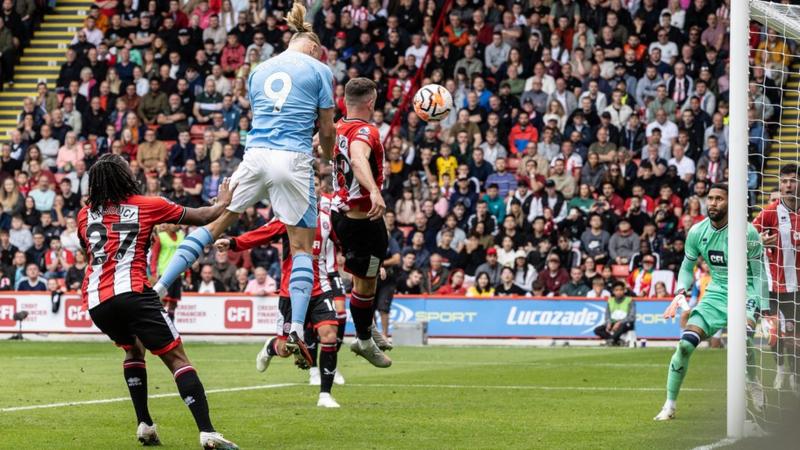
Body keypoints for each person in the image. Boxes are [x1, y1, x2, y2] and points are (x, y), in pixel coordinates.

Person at [153, 3, 336, 368]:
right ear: (314, 48)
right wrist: (328, 156)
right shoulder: (320, 70)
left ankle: (157, 288)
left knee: (212, 225)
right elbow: (327, 129)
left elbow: (267, 114)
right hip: (293, 159)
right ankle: (297, 327)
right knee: (301, 247)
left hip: (255, 155)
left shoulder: (257, 71)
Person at [78, 154, 238, 448]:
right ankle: (208, 432)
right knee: (177, 358)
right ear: (124, 176)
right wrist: (223, 201)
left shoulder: (84, 215)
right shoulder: (147, 205)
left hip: (97, 300)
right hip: (133, 291)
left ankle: (145, 425)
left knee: (133, 350)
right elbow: (204, 216)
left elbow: (87, 250)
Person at [215, 194, 344, 407]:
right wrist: (233, 242)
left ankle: (325, 395)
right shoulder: (289, 218)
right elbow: (262, 234)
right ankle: (271, 348)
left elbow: (347, 242)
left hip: (321, 287)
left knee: (329, 335)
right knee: (285, 350)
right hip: (290, 292)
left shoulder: (328, 218)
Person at [655, 184, 768, 421]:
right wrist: (680, 291)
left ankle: (752, 382)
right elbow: (687, 267)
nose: (713, 203)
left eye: (719, 199)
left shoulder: (748, 233)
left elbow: (758, 275)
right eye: (710, 198)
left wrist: (761, 307)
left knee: (742, 341)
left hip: (746, 292)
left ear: (730, 203)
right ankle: (669, 405)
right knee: (684, 345)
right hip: (716, 294)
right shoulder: (697, 231)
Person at [330, 77, 391, 368]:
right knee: (366, 284)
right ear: (371, 102)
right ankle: (363, 340)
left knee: (366, 277)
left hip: (343, 214)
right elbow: (357, 159)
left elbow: (321, 145)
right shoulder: (366, 131)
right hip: (362, 223)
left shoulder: (338, 126)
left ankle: (366, 326)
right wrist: (375, 190)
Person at [752, 164, 800, 391]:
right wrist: (759, 241)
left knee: (794, 334)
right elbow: (748, 237)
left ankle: (794, 374)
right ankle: (781, 370)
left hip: (797, 287)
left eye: (792, 180)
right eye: (784, 181)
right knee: (774, 333)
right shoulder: (771, 211)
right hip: (774, 286)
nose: (788, 185)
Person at [148, 223, 185, 320]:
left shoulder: (182, 236)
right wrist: (153, 273)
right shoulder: (161, 237)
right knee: (162, 301)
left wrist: (187, 273)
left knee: (174, 302)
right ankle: (159, 323)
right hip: (165, 273)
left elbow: (185, 255)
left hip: (178, 274)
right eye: (171, 223)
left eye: (176, 223)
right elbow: (154, 256)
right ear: (167, 224)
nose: (174, 225)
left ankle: (171, 324)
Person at [593, 280, 636, 345]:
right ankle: (617, 341)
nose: (619, 292)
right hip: (614, 322)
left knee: (623, 325)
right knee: (597, 330)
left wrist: (620, 322)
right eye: (616, 290)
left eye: (621, 290)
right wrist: (608, 323)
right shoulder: (610, 301)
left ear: (624, 290)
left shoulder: (629, 300)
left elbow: (632, 317)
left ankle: (611, 340)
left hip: (626, 323)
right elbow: (607, 316)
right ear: (613, 291)